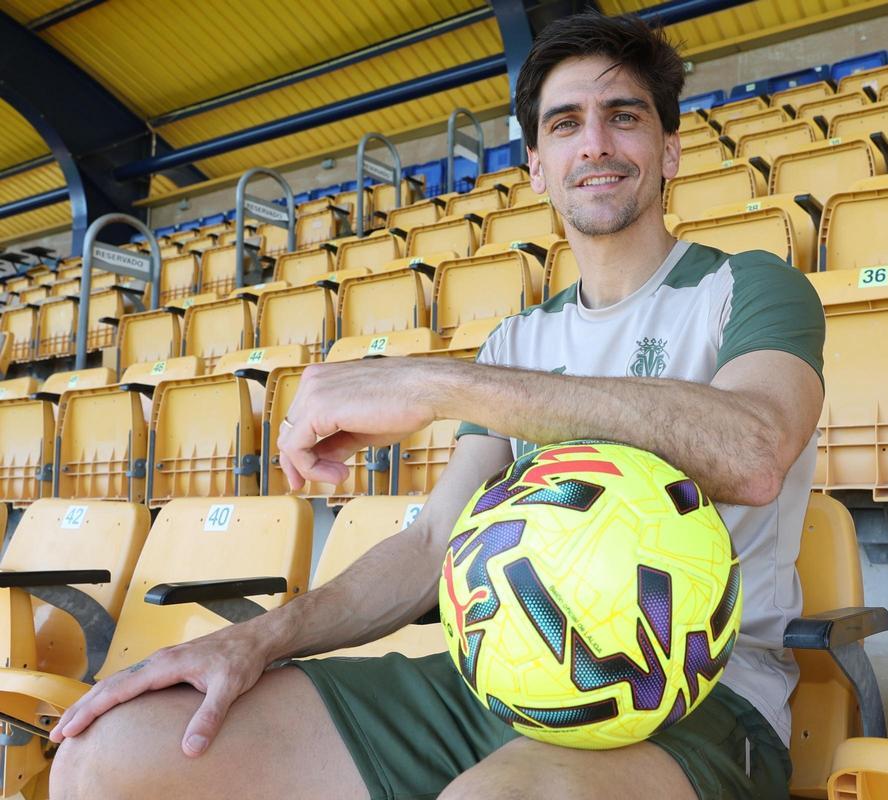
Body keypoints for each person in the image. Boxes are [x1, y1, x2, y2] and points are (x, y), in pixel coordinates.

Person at [47, 11, 824, 800]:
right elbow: (430, 549)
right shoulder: (517, 342)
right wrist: (256, 640)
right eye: (565, 124)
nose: (594, 143)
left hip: (690, 698)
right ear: (536, 167)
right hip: (505, 675)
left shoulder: (748, 287)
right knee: (113, 753)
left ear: (669, 150)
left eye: (623, 116)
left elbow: (755, 453)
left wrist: (436, 384)